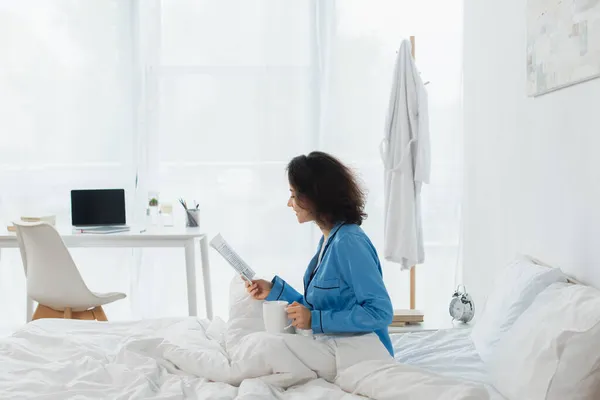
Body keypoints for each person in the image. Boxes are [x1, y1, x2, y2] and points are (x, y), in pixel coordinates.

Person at [245, 151, 394, 356]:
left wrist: (315, 320)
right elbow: (315, 307)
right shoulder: (329, 239)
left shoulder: (349, 242)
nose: (290, 203)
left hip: (364, 354)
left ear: (315, 196)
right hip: (336, 349)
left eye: (293, 194)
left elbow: (380, 312)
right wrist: (273, 291)